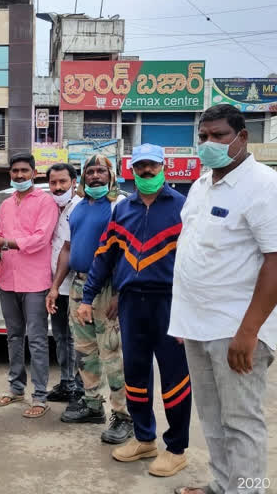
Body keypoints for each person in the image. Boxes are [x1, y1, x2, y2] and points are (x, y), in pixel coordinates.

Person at [170, 104, 277, 494]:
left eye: (219, 135)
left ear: (242, 137)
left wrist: (249, 331)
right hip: (197, 324)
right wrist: (184, 321)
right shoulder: (202, 184)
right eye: (203, 136)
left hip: (237, 327)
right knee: (211, 416)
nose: (209, 143)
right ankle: (222, 485)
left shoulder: (267, 187)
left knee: (241, 420)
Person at [77, 147, 190, 475]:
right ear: (131, 171)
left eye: (151, 166)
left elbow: (199, 262)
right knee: (136, 375)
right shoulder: (122, 209)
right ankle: (144, 438)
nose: (146, 172)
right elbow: (104, 257)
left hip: (169, 303)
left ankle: (177, 447)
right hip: (130, 303)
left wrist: (195, 309)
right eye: (139, 167)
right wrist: (87, 297)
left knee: (175, 378)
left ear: (162, 167)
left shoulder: (183, 208)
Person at [47, 155, 134, 446]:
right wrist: (55, 286)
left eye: (101, 171)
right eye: (90, 171)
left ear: (112, 174)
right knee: (85, 352)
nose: (95, 176)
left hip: (108, 288)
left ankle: (124, 417)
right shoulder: (78, 206)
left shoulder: (119, 205)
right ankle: (93, 405)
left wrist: (121, 293)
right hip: (79, 285)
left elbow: (129, 251)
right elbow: (67, 249)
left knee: (112, 354)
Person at [0, 153, 58, 418]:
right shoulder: (6, 205)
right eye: (15, 171)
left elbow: (40, 238)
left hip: (36, 281)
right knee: (13, 336)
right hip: (8, 279)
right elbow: (1, 237)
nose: (18, 175)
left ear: (34, 172)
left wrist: (4, 244)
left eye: (24, 171)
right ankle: (16, 388)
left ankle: (40, 396)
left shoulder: (45, 201)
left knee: (37, 339)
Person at [45, 163, 83, 403]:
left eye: (63, 182)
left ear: (73, 182)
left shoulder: (80, 207)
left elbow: (69, 249)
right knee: (61, 336)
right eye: (53, 183)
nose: (58, 187)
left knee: (81, 339)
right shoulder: (49, 207)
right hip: (56, 287)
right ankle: (67, 383)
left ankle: (81, 389)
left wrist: (55, 285)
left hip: (76, 286)